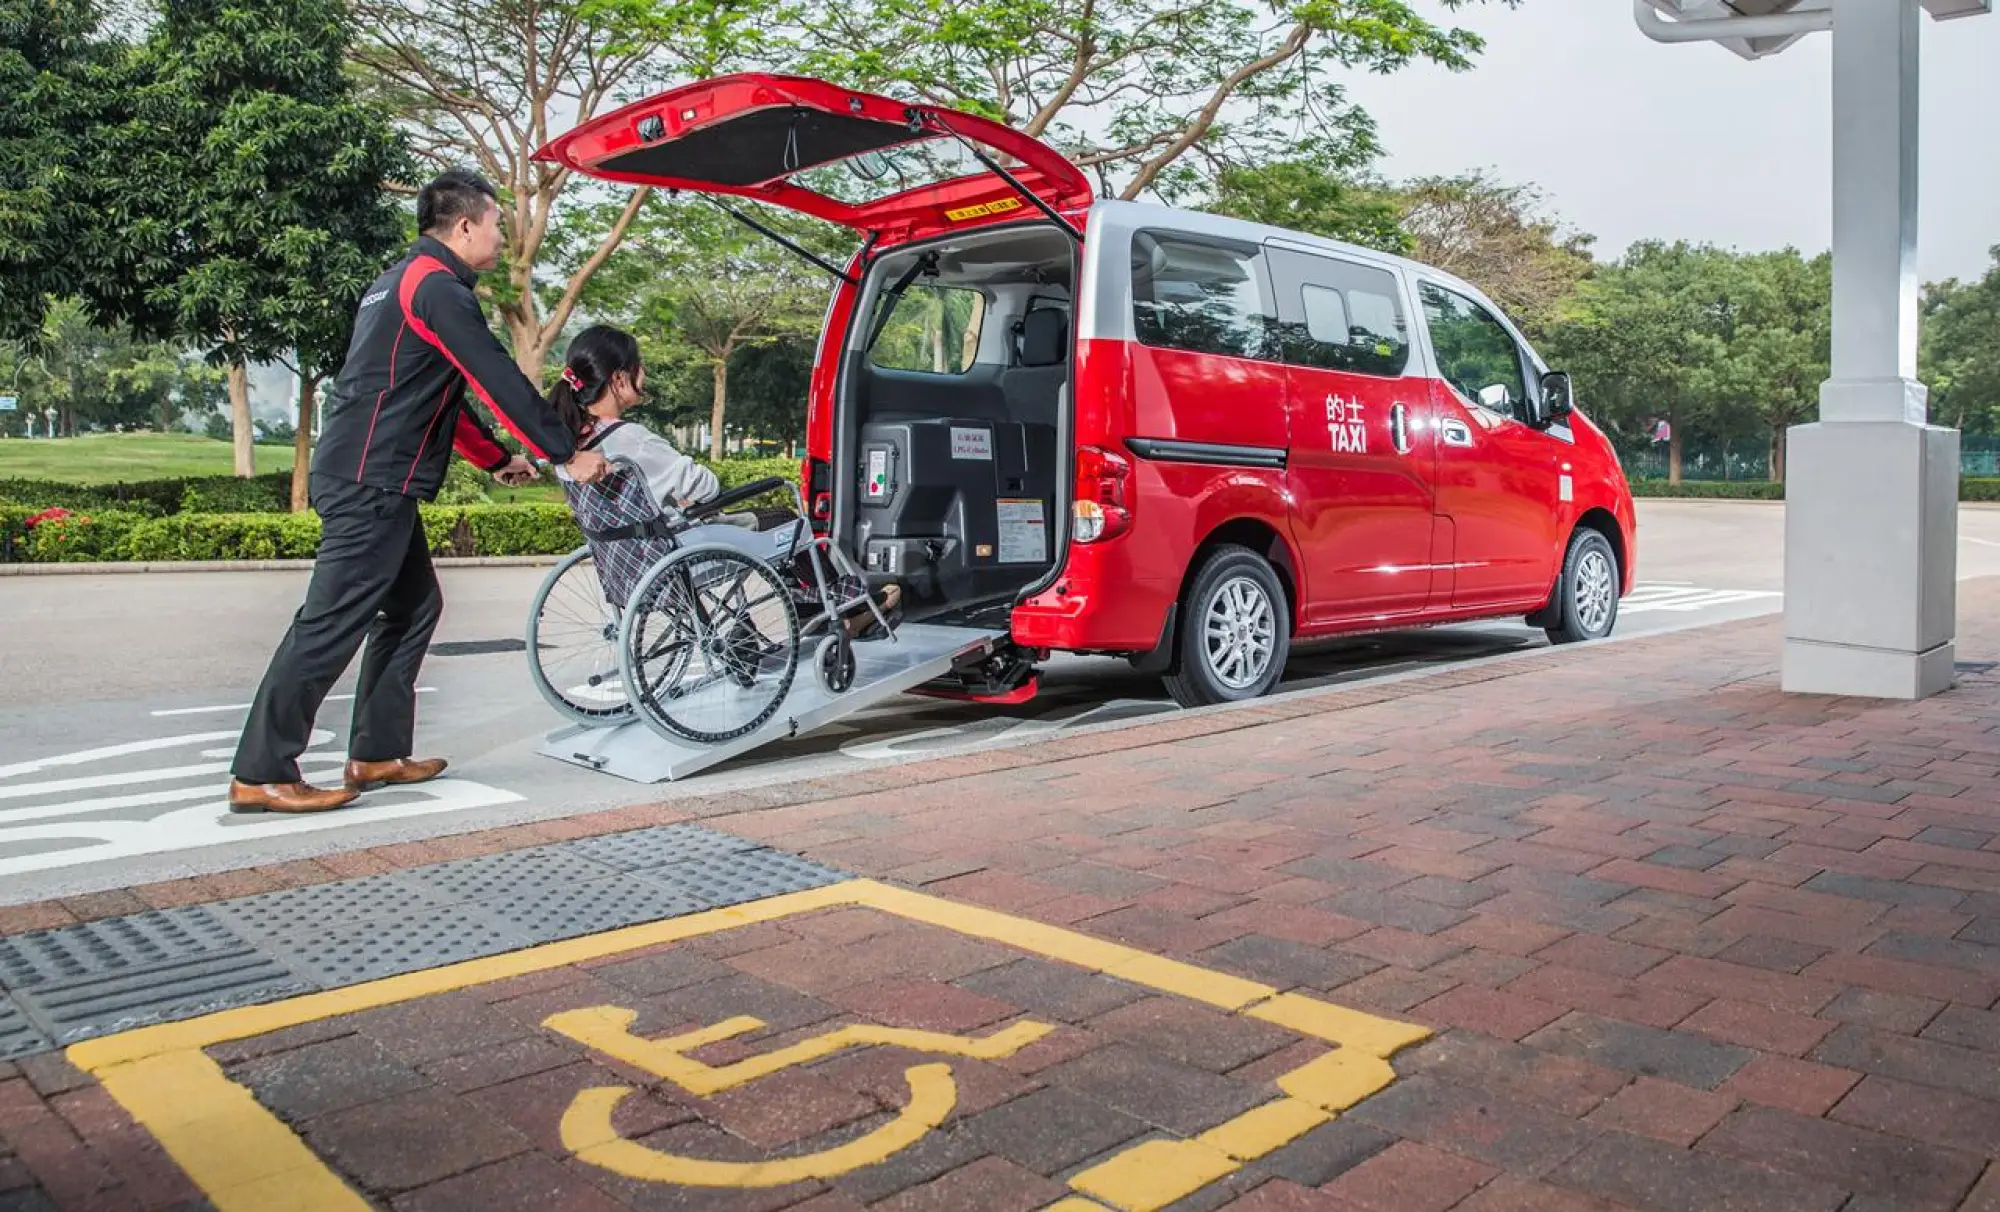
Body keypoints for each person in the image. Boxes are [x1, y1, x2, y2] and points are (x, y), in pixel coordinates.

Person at [228, 170, 609, 815]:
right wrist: (565, 452)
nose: (500, 237)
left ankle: (376, 753)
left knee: (412, 607)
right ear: (465, 227)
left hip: (375, 475)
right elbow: (492, 374)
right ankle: (261, 770)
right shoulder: (436, 287)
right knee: (330, 622)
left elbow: (436, 396)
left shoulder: (400, 284)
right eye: (495, 225)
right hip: (369, 480)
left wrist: (496, 459)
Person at [548, 324, 898, 634]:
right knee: (786, 520)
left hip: (627, 565)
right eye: (640, 367)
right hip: (681, 554)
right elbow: (704, 485)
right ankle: (837, 611)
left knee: (767, 525)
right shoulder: (630, 439)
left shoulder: (569, 449)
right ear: (620, 379)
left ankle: (811, 608)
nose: (645, 375)